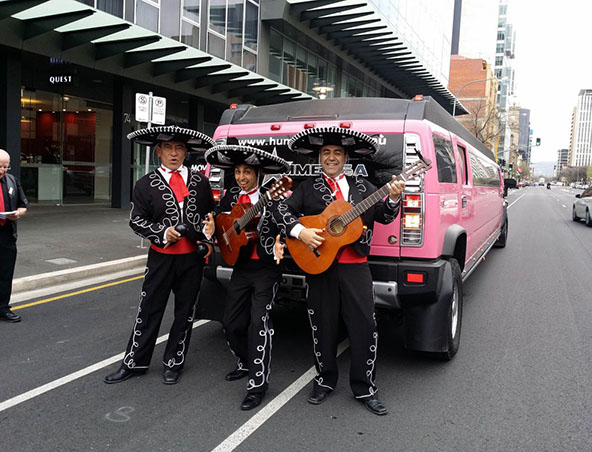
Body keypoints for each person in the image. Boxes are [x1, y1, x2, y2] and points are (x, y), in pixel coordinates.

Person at [274, 127, 405, 416]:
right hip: (320, 267)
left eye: (336, 153)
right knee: (323, 326)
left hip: (355, 267)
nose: (331, 158)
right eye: (326, 153)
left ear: (345, 157)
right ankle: (324, 380)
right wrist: (301, 233)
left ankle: (365, 387)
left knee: (365, 328)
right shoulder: (306, 188)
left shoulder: (363, 187)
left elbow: (384, 216)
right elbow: (280, 211)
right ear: (320, 158)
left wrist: (394, 198)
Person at [104, 125, 215, 385]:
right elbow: (136, 221)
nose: (174, 153)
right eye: (168, 148)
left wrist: (210, 230)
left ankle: (173, 363)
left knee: (185, 312)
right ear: (158, 151)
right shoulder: (145, 184)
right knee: (149, 309)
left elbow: (212, 213)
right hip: (161, 257)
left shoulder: (200, 182)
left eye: (179, 148)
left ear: (186, 152)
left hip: (192, 259)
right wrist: (163, 232)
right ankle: (135, 362)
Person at [203, 144, 289, 410]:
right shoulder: (230, 197)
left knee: (258, 322)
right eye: (238, 171)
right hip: (240, 267)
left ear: (259, 173)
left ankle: (257, 384)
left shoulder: (273, 196)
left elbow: (286, 222)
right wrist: (214, 229)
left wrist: (280, 240)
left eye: (247, 172)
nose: (241, 176)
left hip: (265, 269)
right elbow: (221, 223)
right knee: (230, 323)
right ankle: (245, 362)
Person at [0, 149, 28, 323]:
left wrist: (18, 213)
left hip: (7, 234)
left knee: (5, 273)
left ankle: (3, 308)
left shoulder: (12, 181)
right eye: (0, 166)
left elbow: (23, 204)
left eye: (5, 166)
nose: (3, 170)